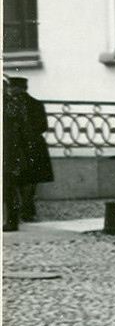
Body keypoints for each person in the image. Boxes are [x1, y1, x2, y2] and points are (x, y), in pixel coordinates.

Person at [8, 77, 53, 222]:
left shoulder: (12, 105)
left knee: (21, 178)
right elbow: (43, 126)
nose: (9, 89)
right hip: (36, 144)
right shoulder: (36, 104)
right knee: (31, 179)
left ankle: (25, 210)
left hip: (20, 145)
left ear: (19, 88)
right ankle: (28, 211)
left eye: (12, 87)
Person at [3, 78, 32, 231]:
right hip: (9, 149)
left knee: (8, 187)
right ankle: (11, 220)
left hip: (8, 150)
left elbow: (20, 126)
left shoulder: (9, 104)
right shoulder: (11, 103)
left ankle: (12, 221)